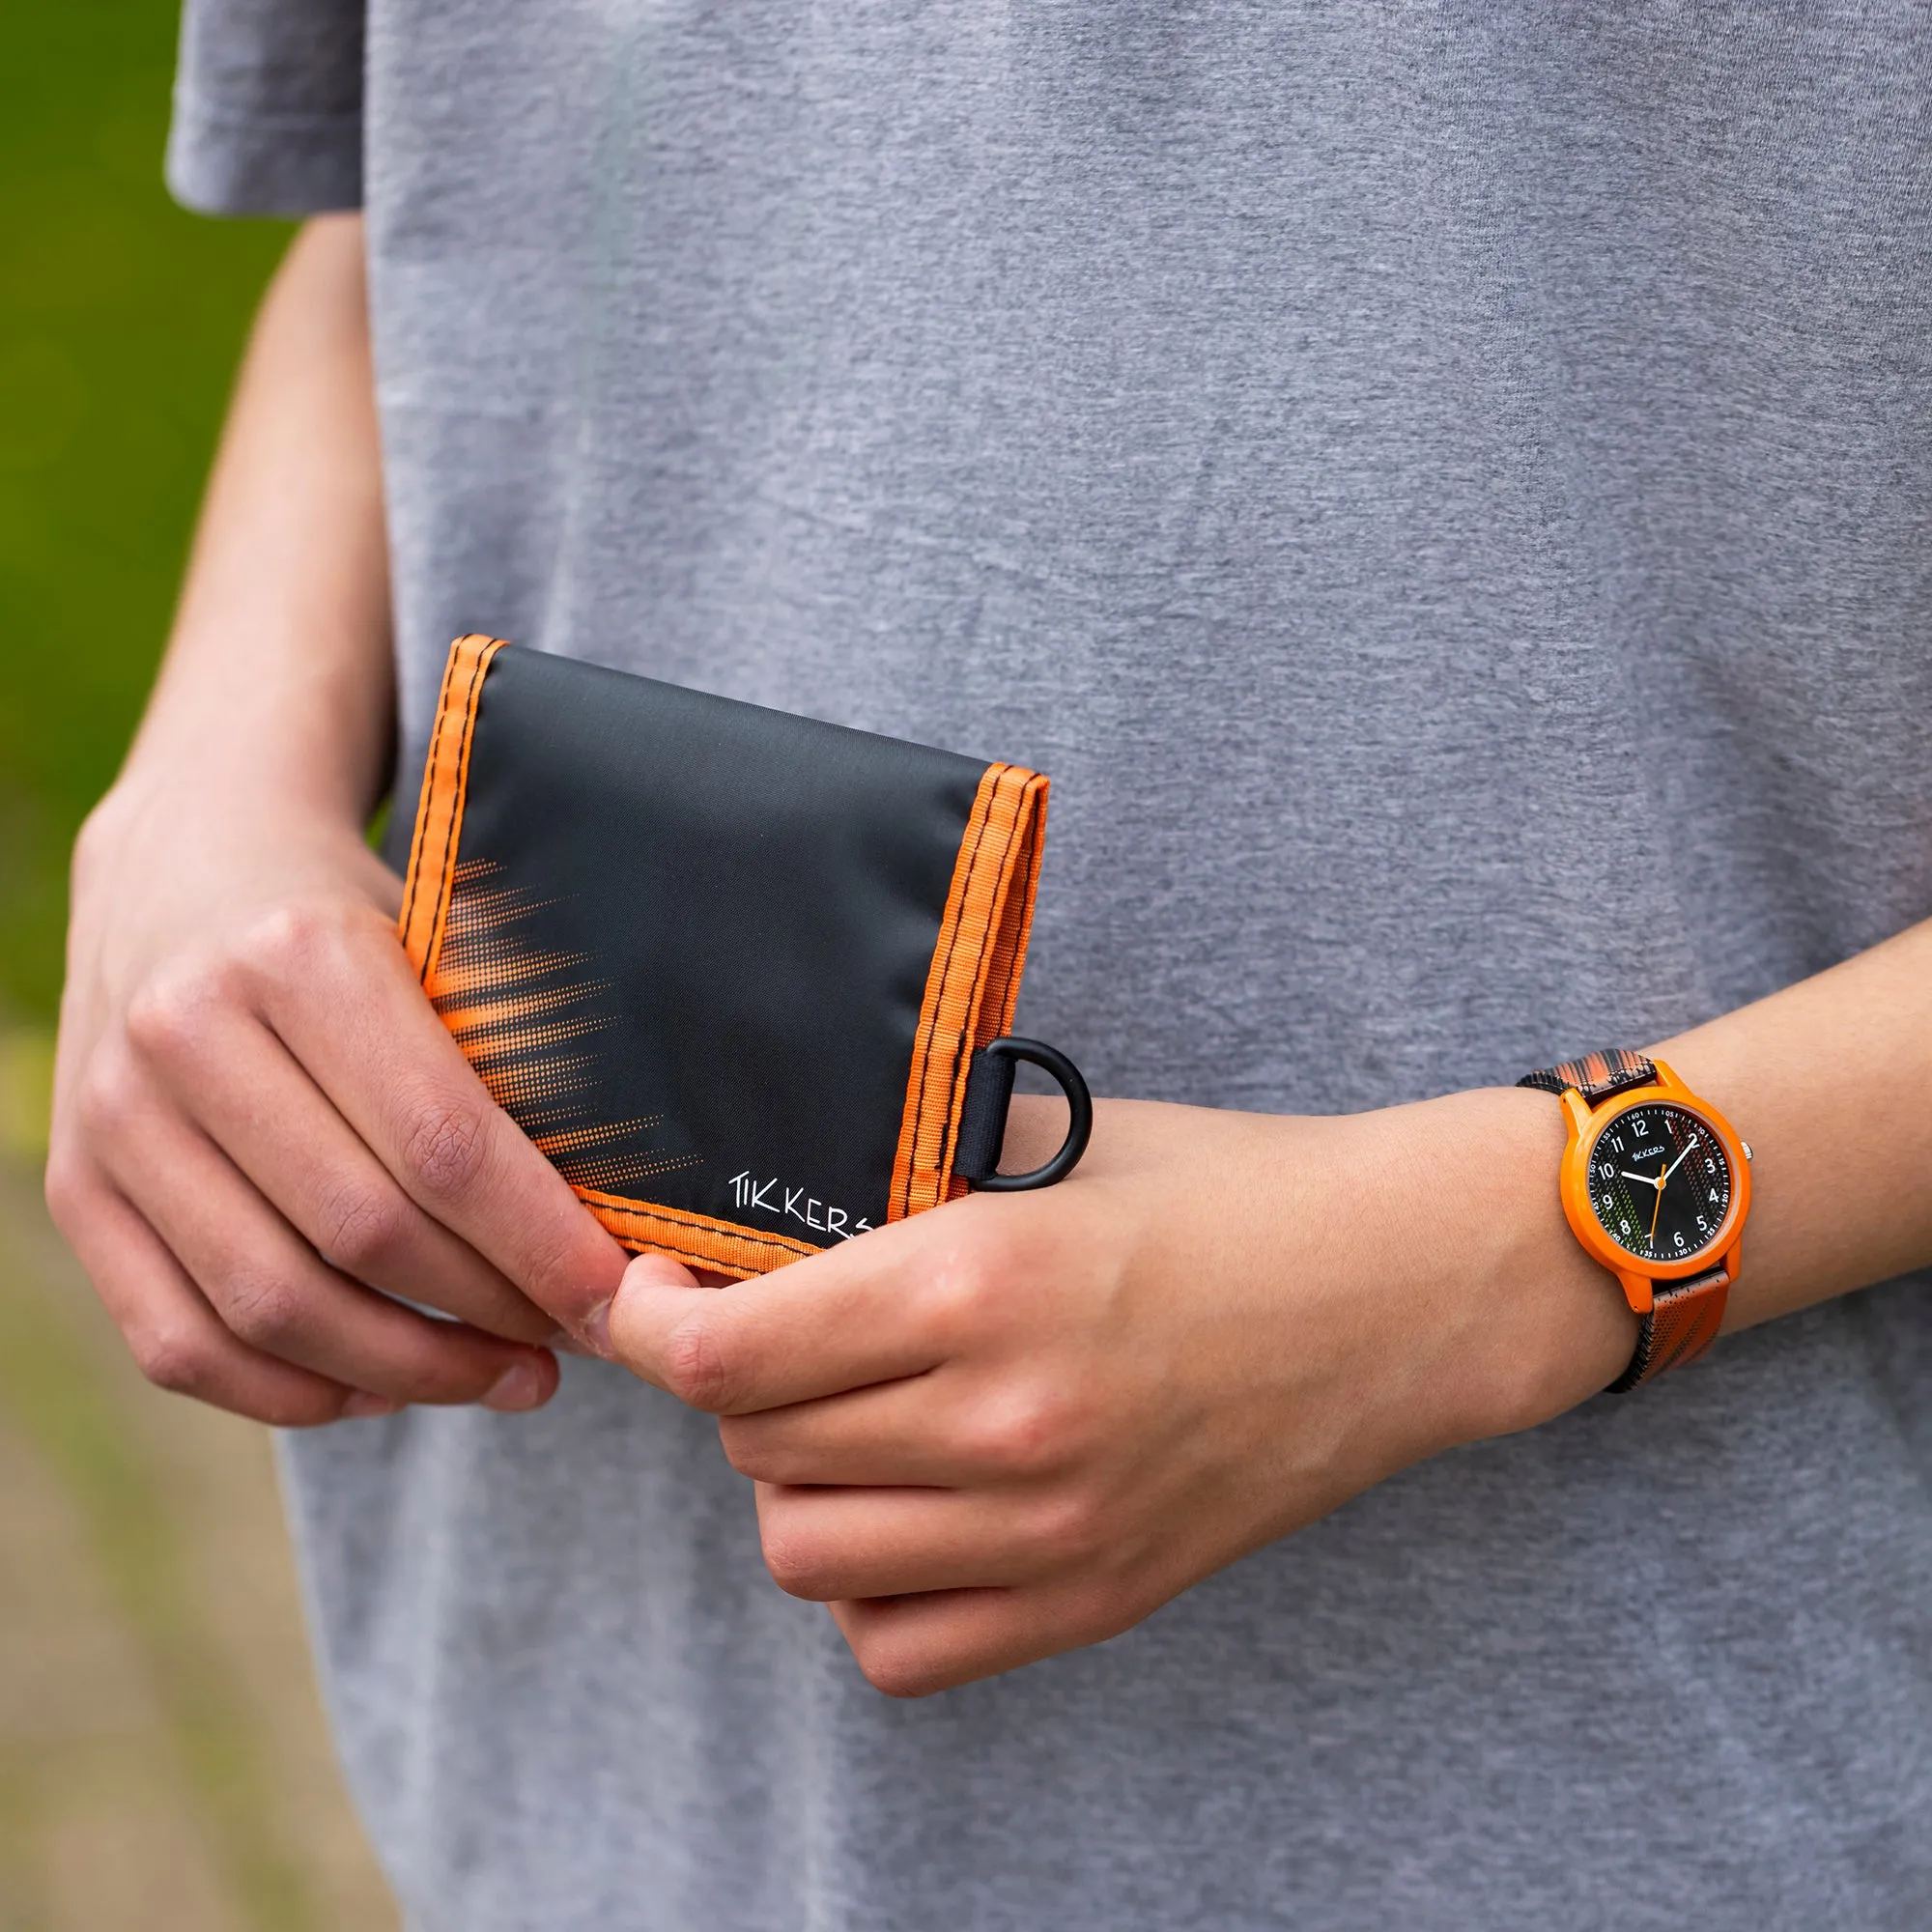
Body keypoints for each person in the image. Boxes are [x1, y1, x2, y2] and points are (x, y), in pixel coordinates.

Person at [47, 3, 1932, 1926]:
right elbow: (405, 195)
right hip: (587, 1739)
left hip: (1659, 1775)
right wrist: (208, 785)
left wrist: (1523, 1253)